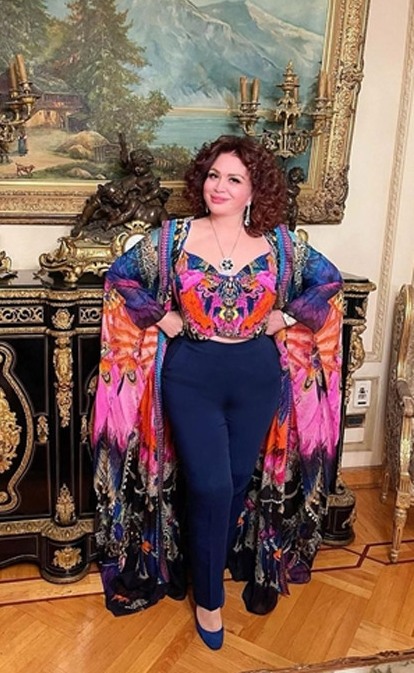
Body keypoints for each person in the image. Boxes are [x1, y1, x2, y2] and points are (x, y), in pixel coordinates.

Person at [91, 136, 343, 649]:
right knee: (209, 485)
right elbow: (120, 278)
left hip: (256, 376)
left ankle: (203, 564)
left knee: (232, 483)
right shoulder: (172, 238)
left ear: (253, 190)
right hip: (191, 375)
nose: (219, 187)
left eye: (234, 179)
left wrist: (286, 316)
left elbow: (328, 281)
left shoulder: (281, 245)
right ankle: (209, 598)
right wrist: (162, 317)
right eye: (213, 176)